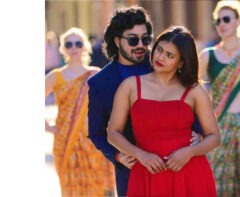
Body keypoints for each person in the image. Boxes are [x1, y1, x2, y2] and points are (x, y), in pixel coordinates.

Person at [87, 5, 201, 196]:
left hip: (177, 166)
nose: (141, 45)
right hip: (132, 170)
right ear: (117, 40)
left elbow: (190, 100)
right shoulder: (99, 84)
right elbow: (96, 133)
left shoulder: (164, 62)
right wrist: (117, 156)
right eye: (133, 40)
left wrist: (198, 134)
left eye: (146, 39)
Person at [107, 25, 221, 197]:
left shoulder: (194, 91)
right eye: (159, 49)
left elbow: (215, 137)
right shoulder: (130, 86)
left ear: (181, 62)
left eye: (170, 56)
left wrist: (189, 152)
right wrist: (140, 154)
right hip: (145, 173)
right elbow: (113, 133)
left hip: (190, 174)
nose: (160, 57)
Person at [45, 27, 115, 197]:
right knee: (70, 189)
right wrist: (48, 127)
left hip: (94, 143)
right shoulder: (56, 76)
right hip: (66, 141)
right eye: (69, 44)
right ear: (63, 49)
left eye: (78, 43)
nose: (74, 47)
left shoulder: (96, 74)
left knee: (96, 188)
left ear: (85, 47)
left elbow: (111, 106)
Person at [198, 0, 240, 196]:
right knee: (217, 176)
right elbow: (192, 89)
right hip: (218, 123)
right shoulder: (207, 55)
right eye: (218, 20)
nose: (221, 24)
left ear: (239, 21)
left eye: (226, 19)